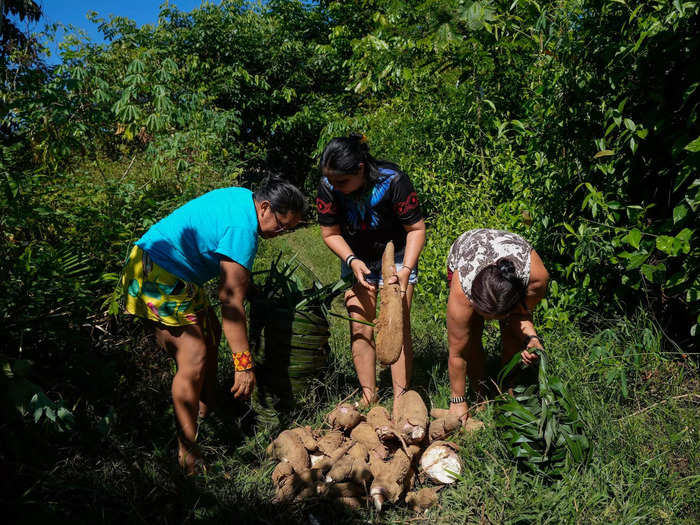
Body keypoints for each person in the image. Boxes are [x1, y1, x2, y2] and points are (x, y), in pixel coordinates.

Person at [121, 174, 305, 473]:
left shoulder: (243, 199)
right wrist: (243, 365)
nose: (281, 232)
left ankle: (205, 407)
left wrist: (249, 289)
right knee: (193, 356)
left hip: (167, 269)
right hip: (155, 274)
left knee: (211, 332)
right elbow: (230, 301)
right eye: (281, 225)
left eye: (288, 229)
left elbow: (231, 275)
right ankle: (187, 455)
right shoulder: (243, 228)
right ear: (266, 208)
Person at [316, 133, 426, 410]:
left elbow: (416, 229)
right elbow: (330, 233)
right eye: (332, 180)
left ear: (360, 169)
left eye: (342, 181)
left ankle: (401, 400)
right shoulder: (329, 185)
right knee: (360, 325)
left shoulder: (393, 180)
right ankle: (369, 396)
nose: (336, 187)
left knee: (395, 326)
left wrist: (406, 270)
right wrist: (351, 260)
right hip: (357, 259)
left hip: (398, 258)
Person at [445, 228, 549, 424]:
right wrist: (457, 400)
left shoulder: (536, 278)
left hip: (511, 252)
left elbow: (522, 315)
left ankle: (507, 391)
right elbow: (457, 352)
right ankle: (480, 391)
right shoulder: (462, 291)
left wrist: (531, 339)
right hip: (467, 247)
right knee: (470, 337)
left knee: (511, 334)